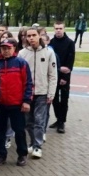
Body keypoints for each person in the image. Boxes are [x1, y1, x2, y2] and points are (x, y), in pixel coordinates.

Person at [18, 27, 57, 159]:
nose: (31, 38)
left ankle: (37, 146)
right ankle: (32, 142)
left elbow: (52, 75)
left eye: (34, 35)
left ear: (39, 36)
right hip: (27, 94)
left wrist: (51, 93)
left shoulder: (48, 53)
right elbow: (19, 75)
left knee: (39, 121)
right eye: (28, 36)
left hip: (42, 92)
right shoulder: (22, 54)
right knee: (28, 121)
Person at [0, 38, 32, 167]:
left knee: (19, 130)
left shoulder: (21, 63)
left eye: (8, 48)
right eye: (3, 48)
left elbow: (28, 84)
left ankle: (22, 154)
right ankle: (1, 155)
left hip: (16, 104)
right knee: (0, 131)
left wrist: (26, 101)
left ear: (14, 48)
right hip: (0, 104)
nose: (6, 50)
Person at [48, 21, 75, 134]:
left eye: (60, 28)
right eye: (56, 28)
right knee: (53, 99)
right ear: (54, 29)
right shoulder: (51, 42)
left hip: (64, 76)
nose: (58, 30)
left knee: (64, 100)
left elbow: (70, 60)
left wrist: (65, 76)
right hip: (53, 76)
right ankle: (58, 118)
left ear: (64, 29)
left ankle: (61, 122)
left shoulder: (70, 43)